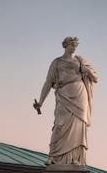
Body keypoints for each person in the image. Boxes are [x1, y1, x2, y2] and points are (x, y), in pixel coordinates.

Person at [34, 36, 98, 165]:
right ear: (65, 45)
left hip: (79, 94)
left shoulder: (80, 60)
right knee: (60, 125)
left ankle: (76, 158)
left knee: (78, 125)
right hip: (63, 94)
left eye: (75, 45)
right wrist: (41, 102)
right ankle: (54, 157)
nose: (74, 47)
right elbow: (48, 82)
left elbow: (95, 77)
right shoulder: (57, 62)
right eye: (71, 45)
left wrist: (87, 71)